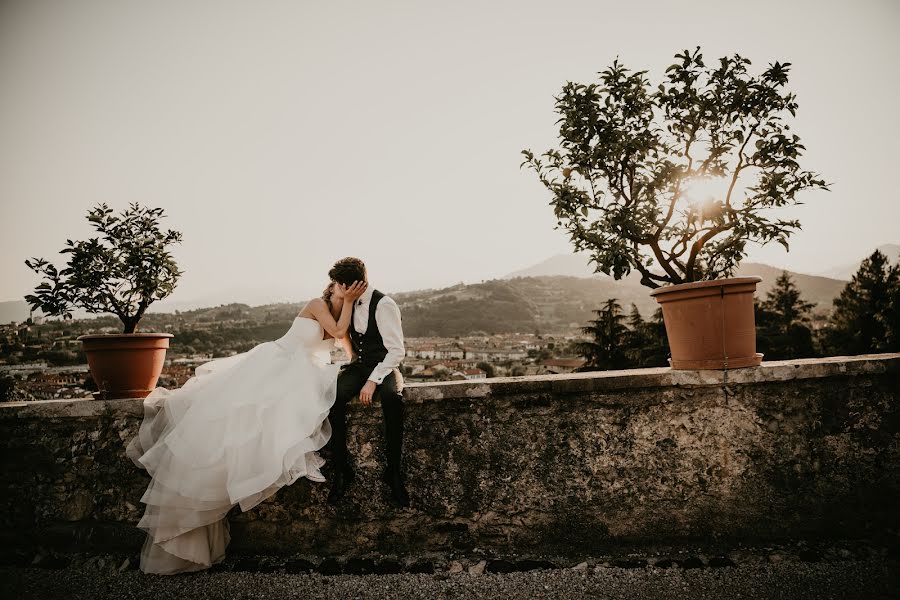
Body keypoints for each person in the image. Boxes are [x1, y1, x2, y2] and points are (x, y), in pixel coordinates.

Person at [125, 277, 367, 575]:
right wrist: (351, 302)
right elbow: (339, 330)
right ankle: (180, 534)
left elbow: (346, 346)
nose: (347, 291)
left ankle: (201, 540)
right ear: (332, 286)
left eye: (353, 287)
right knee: (224, 435)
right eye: (343, 286)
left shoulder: (343, 312)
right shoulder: (318, 305)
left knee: (248, 439)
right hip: (274, 364)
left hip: (297, 373)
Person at [324, 257, 409, 507]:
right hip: (358, 365)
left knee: (393, 399)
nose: (336, 288)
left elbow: (397, 351)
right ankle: (342, 470)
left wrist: (373, 381)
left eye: (339, 284)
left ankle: (393, 471)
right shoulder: (347, 302)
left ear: (350, 285)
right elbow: (343, 336)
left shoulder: (384, 305)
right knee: (334, 398)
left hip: (384, 365)